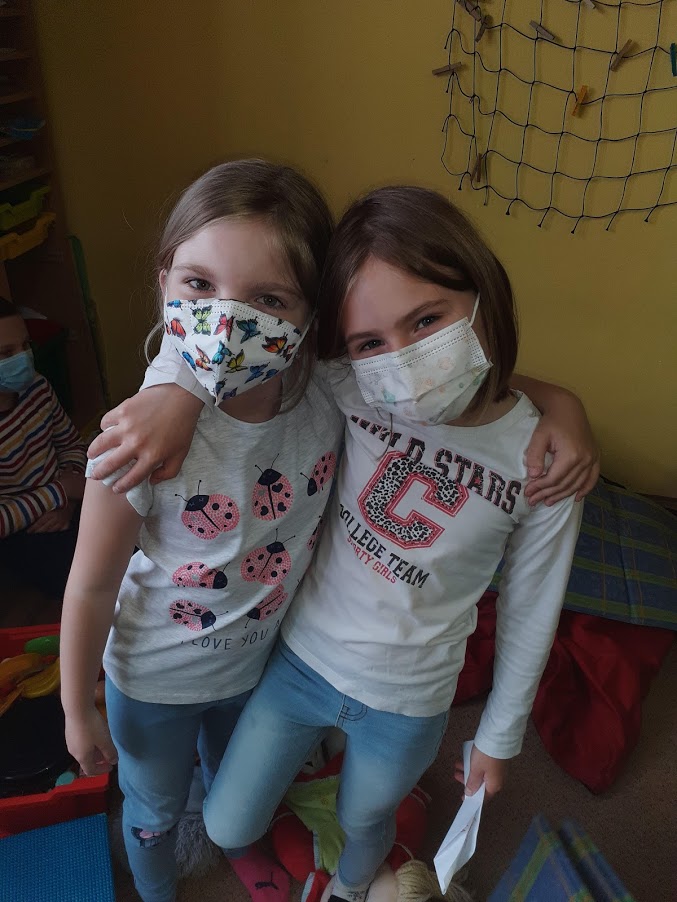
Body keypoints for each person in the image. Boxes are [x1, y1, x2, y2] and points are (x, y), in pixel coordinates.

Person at [90, 183, 598, 902]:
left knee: (366, 820)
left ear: (483, 292)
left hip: (411, 697)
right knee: (230, 824)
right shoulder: (353, 387)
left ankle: (353, 888)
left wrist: (497, 736)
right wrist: (175, 392)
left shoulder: (541, 462)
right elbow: (231, 347)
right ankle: (322, 774)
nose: (405, 362)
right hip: (298, 662)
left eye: (427, 320)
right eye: (369, 343)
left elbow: (531, 607)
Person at [60, 159, 343, 902]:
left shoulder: (328, 394)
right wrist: (75, 705)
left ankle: (234, 841)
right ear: (164, 283)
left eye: (268, 298)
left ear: (313, 315)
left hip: (257, 669)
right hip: (153, 679)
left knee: (234, 785)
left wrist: (562, 410)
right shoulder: (136, 439)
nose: (226, 323)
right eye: (199, 284)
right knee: (153, 810)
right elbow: (89, 584)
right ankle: (156, 890)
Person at [0, 297, 85, 598]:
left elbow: (71, 444)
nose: (23, 358)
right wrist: (60, 492)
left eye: (25, 345)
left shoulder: (37, 387)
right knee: (86, 581)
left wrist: (68, 501)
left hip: (66, 497)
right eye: (6, 353)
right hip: (25, 528)